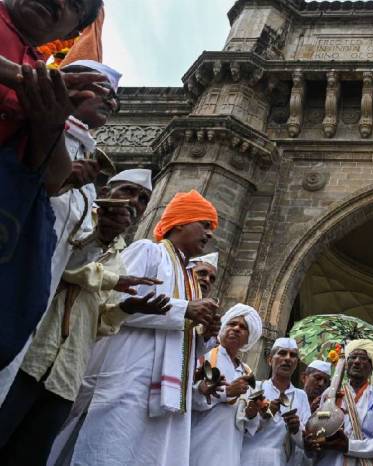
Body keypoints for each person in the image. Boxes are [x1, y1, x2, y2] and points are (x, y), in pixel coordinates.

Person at [0, 169, 166, 464]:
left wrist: (129, 308)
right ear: (107, 190)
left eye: (143, 199)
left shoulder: (119, 255)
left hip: (65, 377)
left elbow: (100, 323)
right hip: (29, 357)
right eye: (128, 190)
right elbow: (61, 265)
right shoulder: (74, 220)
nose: (135, 201)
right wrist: (102, 245)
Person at [60, 190, 221, 465]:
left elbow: (179, 345)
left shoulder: (191, 282)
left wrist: (204, 334)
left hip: (166, 396)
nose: (208, 234)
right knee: (109, 450)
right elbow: (116, 303)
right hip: (130, 374)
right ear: (181, 222)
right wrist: (185, 310)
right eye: (204, 224)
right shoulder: (149, 251)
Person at [0, 0, 107, 379]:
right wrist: (22, 78)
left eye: (74, 6)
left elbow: (52, 176)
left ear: (69, 32)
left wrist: (49, 119)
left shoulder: (40, 80)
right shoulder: (34, 75)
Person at [190, 304, 263, 466]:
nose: (236, 328)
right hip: (200, 445)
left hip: (231, 451)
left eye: (243, 327)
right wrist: (227, 392)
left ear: (248, 338)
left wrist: (251, 414)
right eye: (232, 323)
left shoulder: (247, 373)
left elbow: (249, 427)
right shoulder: (205, 355)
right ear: (223, 327)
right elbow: (189, 400)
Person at [305, 339, 373, 466]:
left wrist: (348, 446)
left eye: (363, 358)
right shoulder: (330, 394)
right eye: (352, 357)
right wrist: (312, 443)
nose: (357, 361)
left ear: (371, 366)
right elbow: (319, 432)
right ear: (346, 363)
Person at [240, 337, 311, 466]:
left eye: (293, 355)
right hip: (248, 458)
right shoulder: (254, 388)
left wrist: (296, 429)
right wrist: (260, 416)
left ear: (296, 364)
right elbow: (238, 427)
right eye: (282, 353)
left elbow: (306, 442)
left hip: (281, 460)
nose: (288, 358)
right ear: (270, 360)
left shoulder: (301, 396)